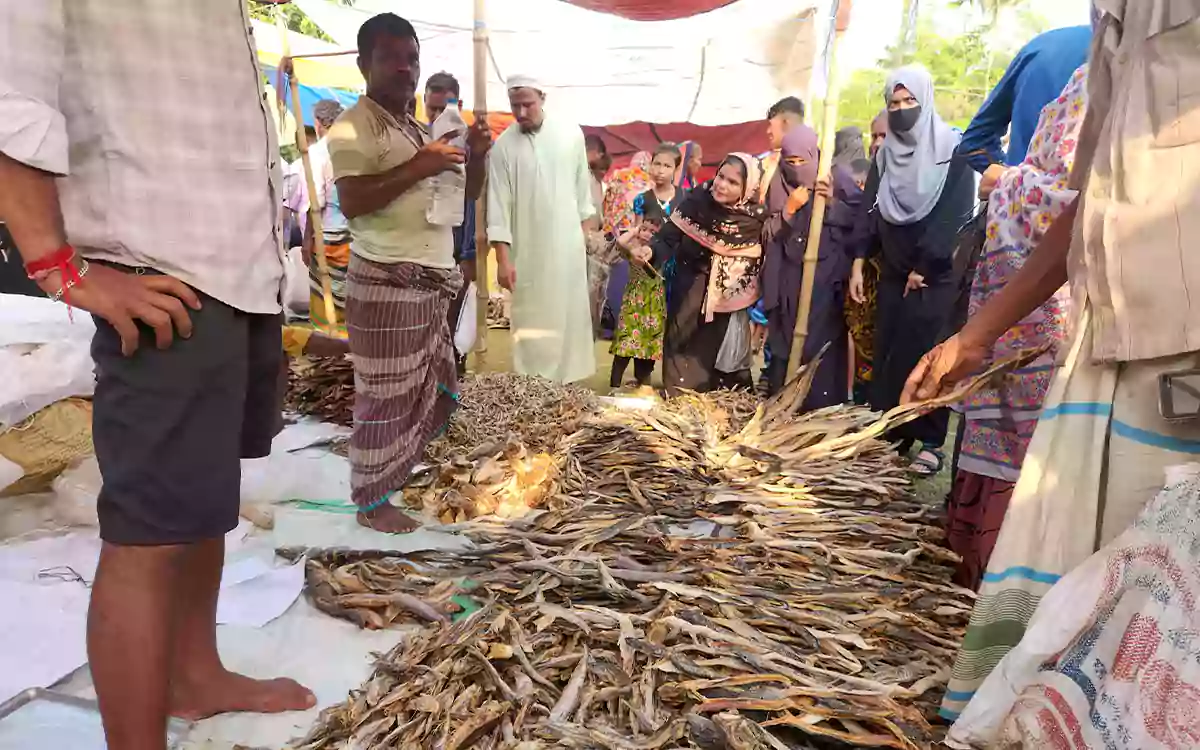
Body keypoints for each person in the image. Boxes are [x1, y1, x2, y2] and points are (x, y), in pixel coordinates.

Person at [0, 3, 318, 748]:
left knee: (205, 502)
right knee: (147, 536)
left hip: (238, 268)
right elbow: (9, 89)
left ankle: (194, 675)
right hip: (158, 273)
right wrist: (57, 264)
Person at [903, 1, 1200, 722]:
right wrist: (976, 336)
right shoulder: (1112, 27)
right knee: (1095, 597)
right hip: (1107, 344)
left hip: (1182, 342)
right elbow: (1092, 197)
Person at [328, 13, 491, 534]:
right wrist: (420, 165)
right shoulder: (355, 124)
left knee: (431, 387)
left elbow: (463, 193)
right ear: (363, 64)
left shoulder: (417, 126)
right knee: (384, 395)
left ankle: (392, 475)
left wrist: (479, 158)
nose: (405, 68)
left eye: (412, 58)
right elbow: (352, 201)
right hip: (385, 282)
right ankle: (372, 498)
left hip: (427, 285)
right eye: (391, 58)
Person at [945, 67, 1087, 592]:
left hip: (1064, 320)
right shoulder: (1084, 76)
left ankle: (1012, 586)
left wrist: (1008, 184)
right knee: (999, 431)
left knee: (1041, 464)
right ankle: (979, 572)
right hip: (1011, 316)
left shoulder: (1128, 86)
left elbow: (1083, 200)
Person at [849, 65, 974, 476]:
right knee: (889, 353)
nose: (902, 110)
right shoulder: (885, 156)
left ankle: (932, 441)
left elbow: (955, 212)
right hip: (893, 272)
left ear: (926, 100)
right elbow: (871, 211)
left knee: (929, 354)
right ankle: (892, 435)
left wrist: (926, 263)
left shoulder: (952, 148)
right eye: (894, 103)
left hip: (934, 276)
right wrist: (858, 261)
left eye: (909, 102)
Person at [487, 74, 598, 384]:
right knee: (531, 325)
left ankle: (568, 390)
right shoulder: (503, 147)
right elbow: (498, 207)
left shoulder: (570, 134)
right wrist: (503, 260)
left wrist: (583, 238)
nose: (521, 113)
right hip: (527, 254)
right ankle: (532, 390)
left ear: (543, 98)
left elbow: (582, 195)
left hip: (567, 250)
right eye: (514, 106)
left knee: (568, 321)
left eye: (527, 104)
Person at [647, 153, 765, 396]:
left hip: (727, 300)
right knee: (680, 345)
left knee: (716, 359)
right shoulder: (697, 200)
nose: (721, 185)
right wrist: (649, 251)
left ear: (747, 188)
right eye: (721, 176)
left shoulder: (755, 218)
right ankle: (679, 403)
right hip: (689, 288)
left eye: (733, 183)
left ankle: (716, 409)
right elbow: (668, 236)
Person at [761, 126, 860, 403]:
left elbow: (860, 219)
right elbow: (767, 233)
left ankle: (819, 407)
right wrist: (789, 210)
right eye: (790, 162)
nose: (795, 169)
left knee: (822, 346)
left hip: (826, 280)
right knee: (788, 342)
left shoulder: (835, 177)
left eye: (802, 162)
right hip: (788, 279)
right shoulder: (778, 182)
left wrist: (830, 204)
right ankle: (783, 405)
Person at [958, 25, 1091, 194]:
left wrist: (1008, 178)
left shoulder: (1045, 44)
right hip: (1096, 214)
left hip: (1014, 210)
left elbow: (975, 141)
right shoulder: (1126, 60)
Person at [609, 144, 679, 390]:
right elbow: (637, 233)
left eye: (667, 165)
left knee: (668, 325)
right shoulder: (642, 200)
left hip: (676, 271)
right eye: (657, 164)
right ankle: (639, 379)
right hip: (647, 272)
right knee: (643, 324)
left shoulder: (684, 199)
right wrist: (635, 253)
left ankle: (670, 377)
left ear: (675, 170)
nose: (660, 170)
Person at [423, 72, 478, 376]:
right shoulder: (418, 137)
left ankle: (453, 380)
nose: (437, 118)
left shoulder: (471, 145)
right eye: (433, 111)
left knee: (453, 322)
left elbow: (474, 202)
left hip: (457, 248)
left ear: (458, 104)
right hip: (422, 247)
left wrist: (469, 253)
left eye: (444, 111)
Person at [293, 97, 352, 336]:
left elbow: (313, 203)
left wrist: (307, 241)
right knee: (348, 299)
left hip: (328, 239)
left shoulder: (318, 154)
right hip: (353, 238)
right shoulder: (351, 149)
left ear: (318, 123)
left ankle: (334, 351)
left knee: (326, 301)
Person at [762, 96, 806, 193]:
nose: (768, 131)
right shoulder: (770, 162)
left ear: (786, 123)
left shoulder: (810, 165)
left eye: (770, 125)